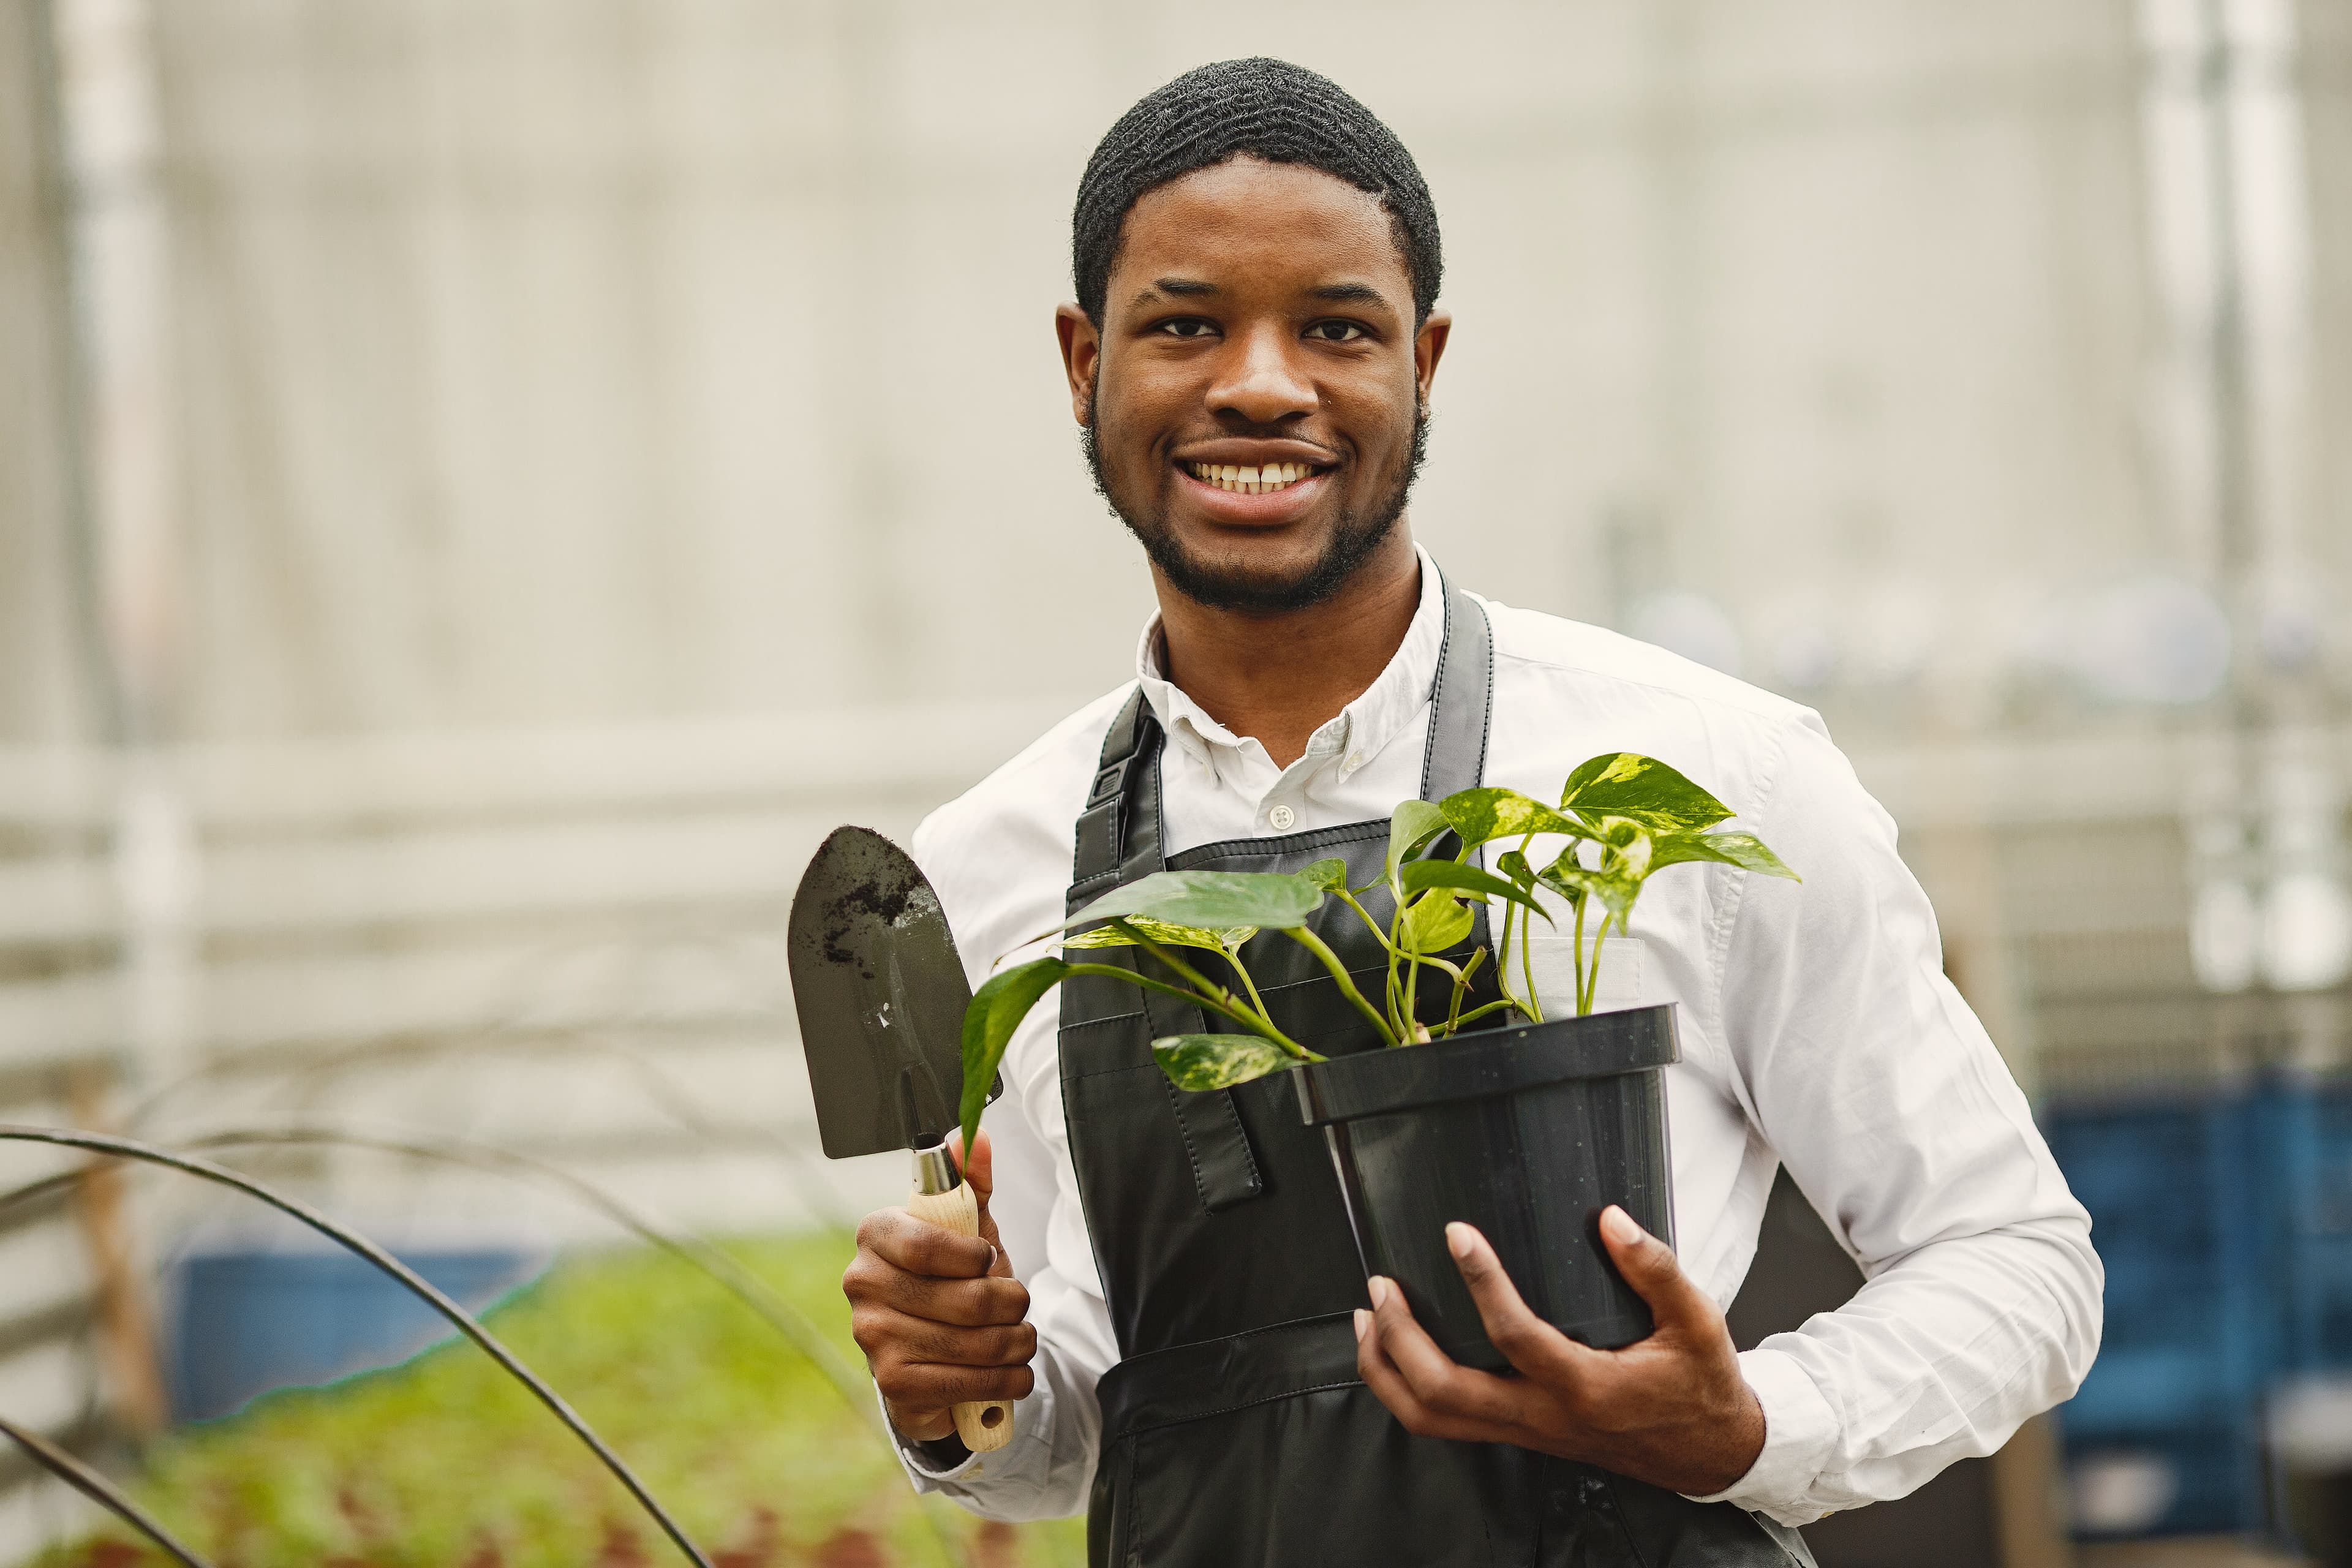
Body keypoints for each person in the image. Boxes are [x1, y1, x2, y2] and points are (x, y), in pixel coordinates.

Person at [840, 57, 2101, 1566]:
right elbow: (1091, 1426)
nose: (1261, 381)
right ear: (1081, 360)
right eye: (1184, 324)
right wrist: (962, 1391)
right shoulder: (994, 863)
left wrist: (1756, 1421)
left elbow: (2015, 1255)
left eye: (1337, 329)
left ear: (1424, 363)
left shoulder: (1709, 769)